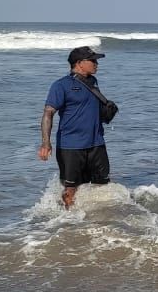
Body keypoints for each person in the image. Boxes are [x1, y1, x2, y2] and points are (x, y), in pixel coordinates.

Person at [39, 46, 112, 209]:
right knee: (71, 189)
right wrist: (45, 143)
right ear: (79, 63)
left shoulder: (93, 82)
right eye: (92, 60)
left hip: (97, 144)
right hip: (71, 147)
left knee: (103, 187)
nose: (96, 64)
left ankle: (98, 221)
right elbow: (48, 114)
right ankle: (69, 224)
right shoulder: (60, 85)